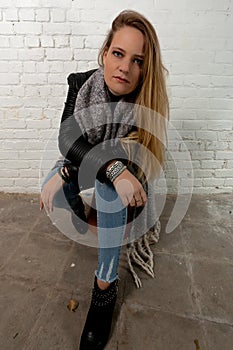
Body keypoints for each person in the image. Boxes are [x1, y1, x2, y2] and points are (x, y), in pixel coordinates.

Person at [40, 10, 169, 350]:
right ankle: (82, 215)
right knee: (52, 186)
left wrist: (114, 171)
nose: (125, 67)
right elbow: (69, 140)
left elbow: (130, 166)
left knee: (108, 186)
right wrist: (69, 171)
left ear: (145, 69)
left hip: (128, 185)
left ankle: (104, 286)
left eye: (137, 60)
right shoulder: (80, 84)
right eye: (118, 54)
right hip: (84, 161)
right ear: (105, 53)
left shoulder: (145, 103)